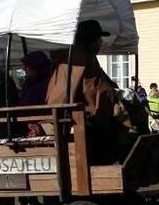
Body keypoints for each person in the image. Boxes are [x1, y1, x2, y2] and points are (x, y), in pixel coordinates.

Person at [46, 20, 119, 161]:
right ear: (91, 40)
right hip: (84, 121)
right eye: (98, 39)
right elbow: (88, 89)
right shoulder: (79, 58)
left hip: (87, 119)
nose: (101, 42)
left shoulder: (82, 56)